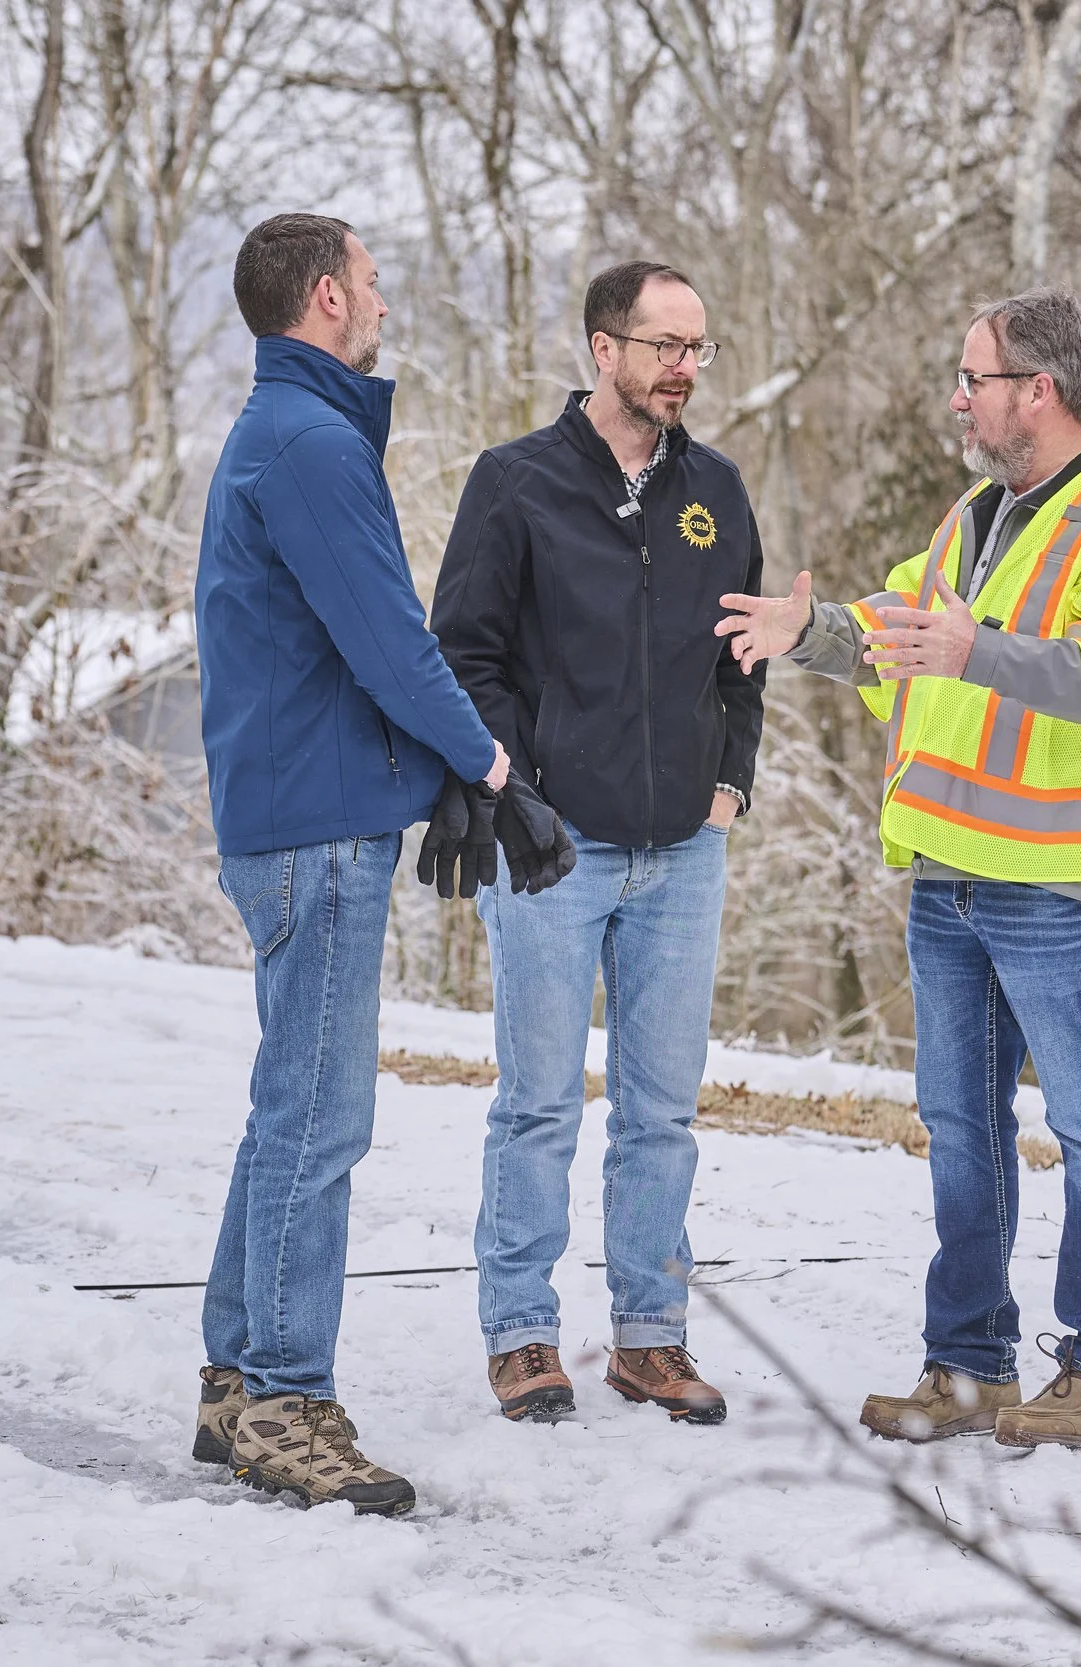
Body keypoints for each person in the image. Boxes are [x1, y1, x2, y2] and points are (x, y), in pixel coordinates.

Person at [715, 288, 1081, 1450]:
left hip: (1057, 879)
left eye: (971, 375)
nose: (956, 397)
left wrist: (974, 650)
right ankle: (969, 1364)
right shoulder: (976, 513)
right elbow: (901, 633)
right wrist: (814, 633)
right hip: (947, 871)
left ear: (1037, 389)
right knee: (960, 1123)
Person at [192, 213, 516, 1514]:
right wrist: (489, 766)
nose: (385, 301)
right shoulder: (313, 445)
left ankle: (235, 1379)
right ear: (328, 297)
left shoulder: (287, 433)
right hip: (316, 828)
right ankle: (284, 1396)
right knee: (320, 1121)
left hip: (303, 810)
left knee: (289, 1107)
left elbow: (351, 641)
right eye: (373, 283)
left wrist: (442, 766)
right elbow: (389, 637)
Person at [431, 260, 765, 1427]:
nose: (683, 369)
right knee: (536, 1102)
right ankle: (522, 1331)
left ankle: (649, 1337)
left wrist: (729, 782)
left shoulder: (713, 490)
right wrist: (515, 790)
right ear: (601, 349)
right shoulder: (515, 483)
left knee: (662, 1107)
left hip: (683, 852)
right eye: (664, 345)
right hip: (553, 848)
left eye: (698, 349)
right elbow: (462, 653)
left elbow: (745, 654)